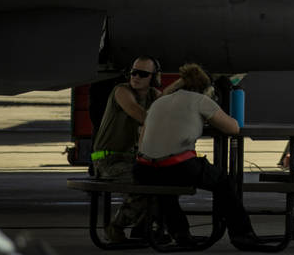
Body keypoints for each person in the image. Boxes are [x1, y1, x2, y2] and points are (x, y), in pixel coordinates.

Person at [133, 63, 260, 249]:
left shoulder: (158, 102)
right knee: (224, 181)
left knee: (164, 187)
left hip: (143, 170)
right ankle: (242, 234)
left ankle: (180, 233)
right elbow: (233, 128)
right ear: (205, 89)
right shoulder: (200, 100)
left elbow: (142, 141)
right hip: (177, 167)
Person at [91, 56, 162, 243]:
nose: (136, 77)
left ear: (153, 78)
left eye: (143, 74)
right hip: (108, 160)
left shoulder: (154, 95)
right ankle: (116, 228)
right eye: (133, 72)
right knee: (145, 184)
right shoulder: (121, 91)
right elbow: (138, 113)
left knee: (166, 181)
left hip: (132, 160)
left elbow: (167, 111)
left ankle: (144, 229)